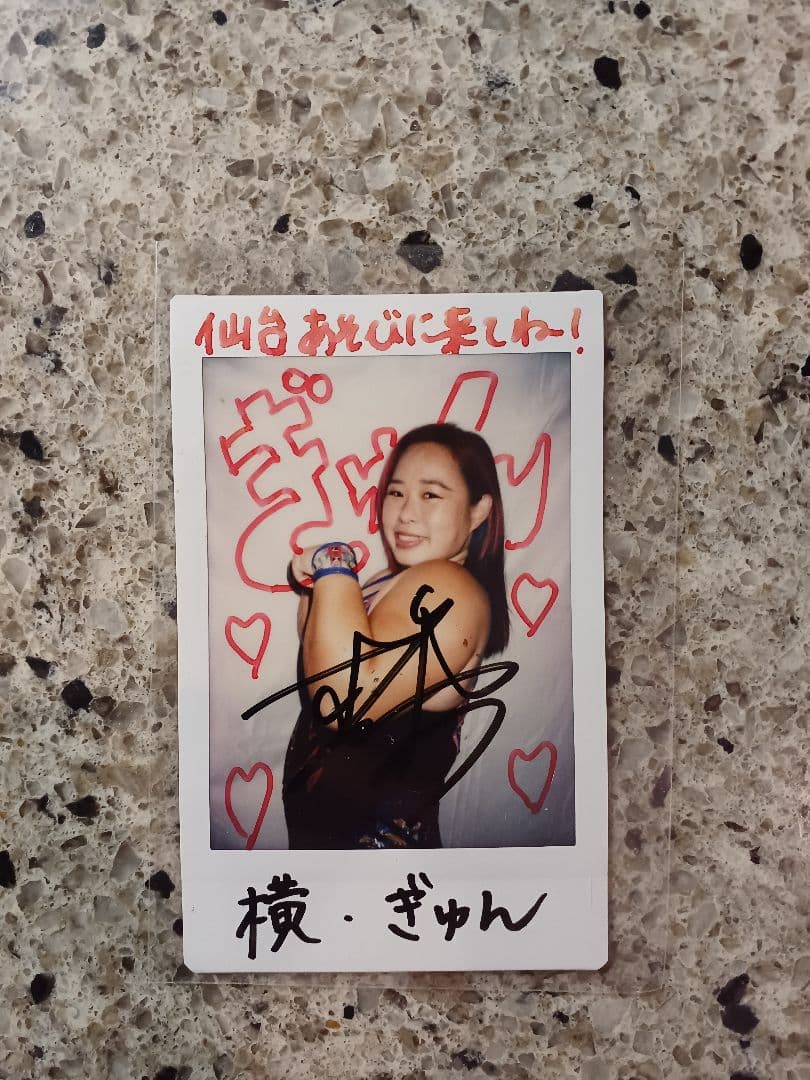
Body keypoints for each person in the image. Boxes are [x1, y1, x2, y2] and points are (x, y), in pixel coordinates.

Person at [282, 422, 510, 849]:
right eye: (396, 492)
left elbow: (343, 699)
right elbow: (321, 657)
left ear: (479, 510)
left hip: (379, 863)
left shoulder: (450, 585)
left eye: (431, 495)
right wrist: (322, 588)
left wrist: (335, 561)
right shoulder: (390, 579)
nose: (406, 513)